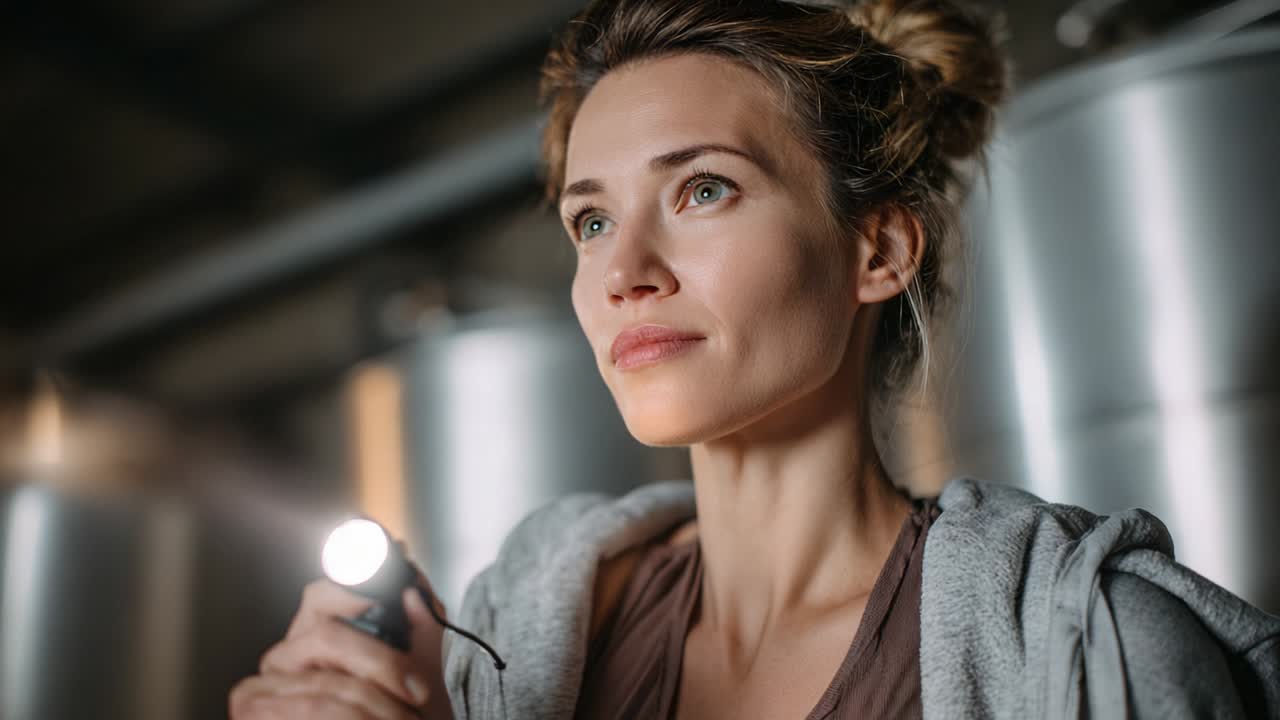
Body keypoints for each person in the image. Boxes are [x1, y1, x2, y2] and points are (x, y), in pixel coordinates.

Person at [229, 0, 1280, 718]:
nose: (621, 271)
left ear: (876, 248)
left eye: (701, 190)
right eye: (589, 222)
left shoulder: (1091, 655)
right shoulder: (502, 648)